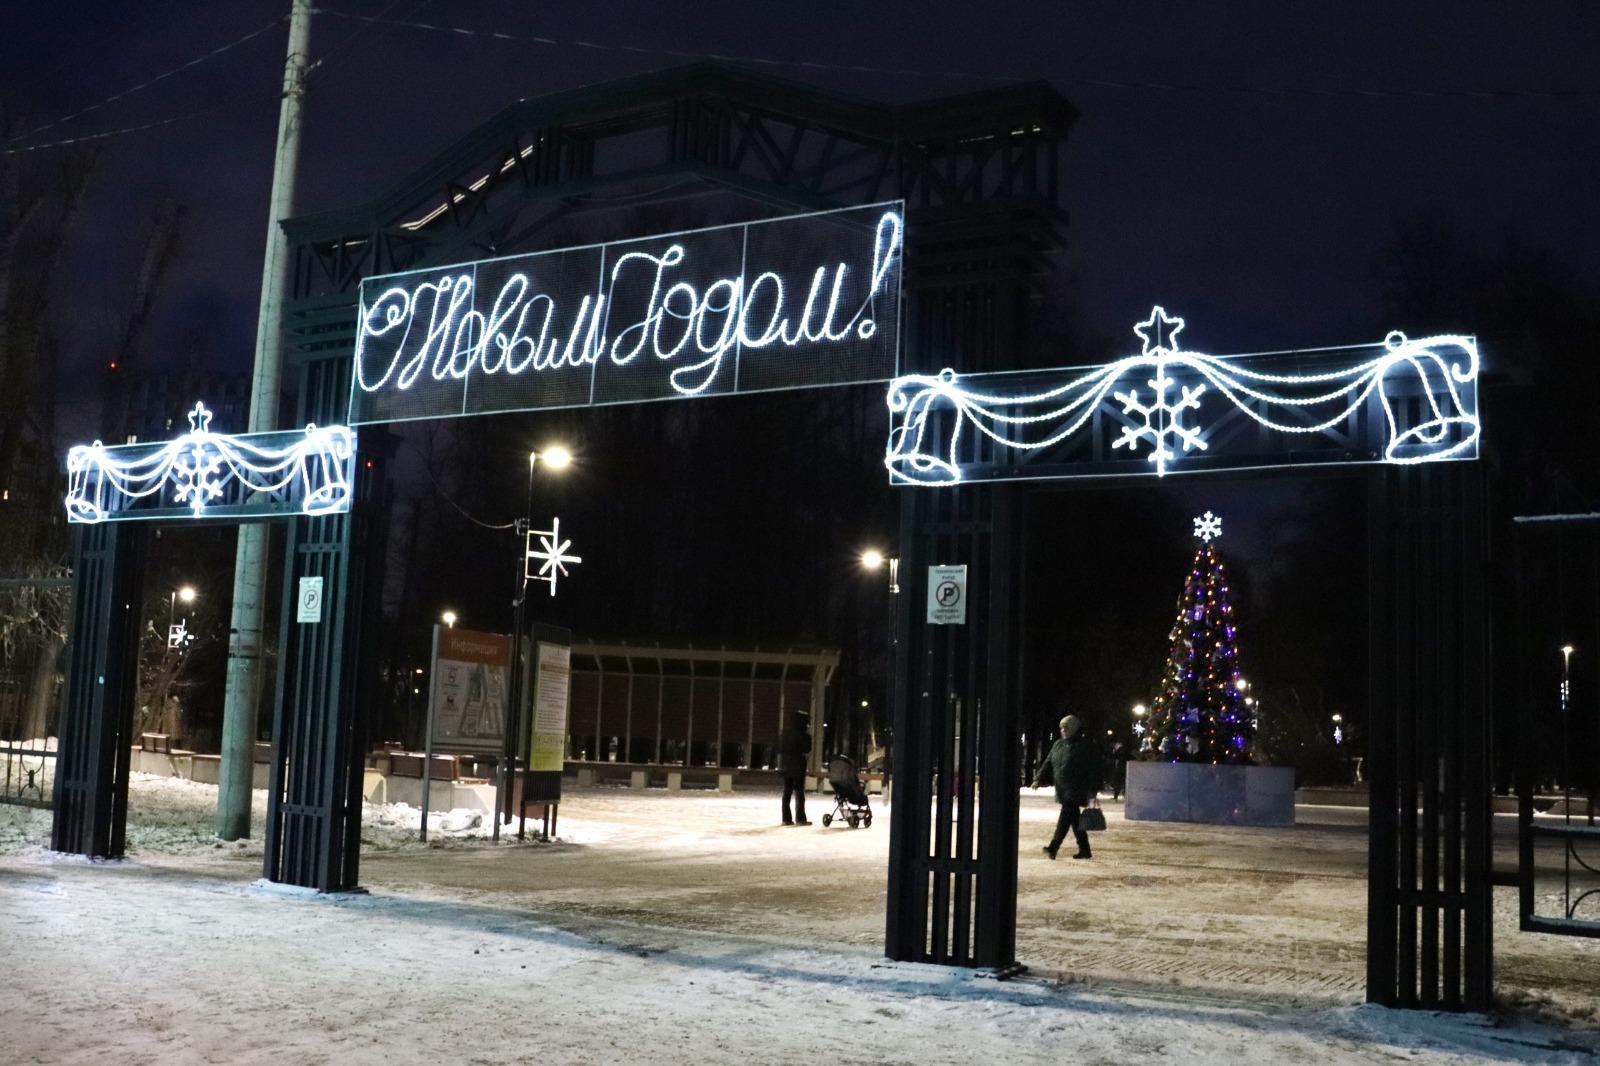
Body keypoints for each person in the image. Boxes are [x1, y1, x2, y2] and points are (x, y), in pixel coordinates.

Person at [1032, 714, 1101, 860]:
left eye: (1066, 727)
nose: (1063, 730)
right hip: (1062, 788)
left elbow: (1092, 769)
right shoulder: (1058, 745)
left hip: (1076, 788)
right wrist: (1038, 778)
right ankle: (1085, 849)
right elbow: (1047, 762)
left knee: (1065, 816)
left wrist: (1092, 789)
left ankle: (1053, 846)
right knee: (1074, 820)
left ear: (1074, 729)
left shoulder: (1083, 747)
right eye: (1062, 728)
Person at [778, 710, 812, 826]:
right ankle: (800, 818)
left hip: (787, 766)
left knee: (787, 792)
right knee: (799, 792)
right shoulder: (804, 735)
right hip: (798, 766)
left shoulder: (785, 733)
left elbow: (780, 748)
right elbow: (807, 749)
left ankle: (786, 818)